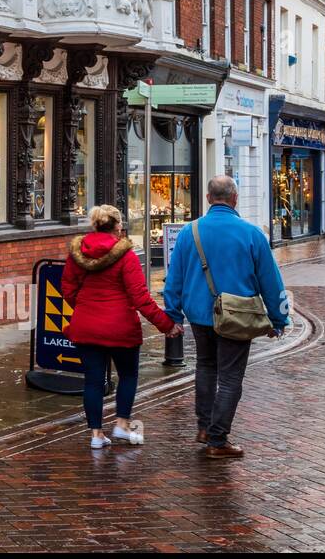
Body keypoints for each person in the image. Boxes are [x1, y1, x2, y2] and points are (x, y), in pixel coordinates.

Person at [165, 175, 289, 459]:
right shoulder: (251, 233)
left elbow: (174, 279)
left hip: (198, 314)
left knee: (206, 367)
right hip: (237, 317)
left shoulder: (189, 232)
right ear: (235, 199)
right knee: (231, 377)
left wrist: (172, 314)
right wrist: (278, 319)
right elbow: (271, 281)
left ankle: (205, 427)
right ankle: (217, 440)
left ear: (209, 198)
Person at [63, 204, 181, 450]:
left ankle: (96, 435)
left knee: (93, 381)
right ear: (118, 226)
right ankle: (122, 425)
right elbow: (140, 297)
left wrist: (85, 308)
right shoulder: (126, 255)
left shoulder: (77, 253)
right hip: (121, 328)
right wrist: (166, 325)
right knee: (127, 375)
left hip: (86, 326)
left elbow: (68, 290)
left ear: (94, 225)